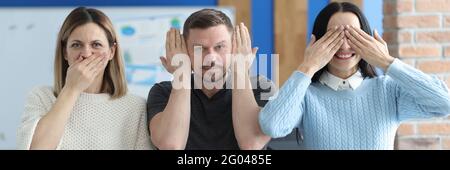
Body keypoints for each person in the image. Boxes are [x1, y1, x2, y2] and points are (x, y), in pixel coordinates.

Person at [258, 2, 450, 149]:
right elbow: (272, 126)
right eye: (334, 36)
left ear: (367, 39)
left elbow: (444, 103)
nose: (344, 46)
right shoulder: (306, 96)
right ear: (317, 42)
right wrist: (308, 66)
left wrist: (386, 61)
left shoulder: (388, 90)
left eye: (353, 36)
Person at [17, 7, 152, 150]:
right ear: (65, 52)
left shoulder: (135, 106)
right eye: (76, 45)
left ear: (111, 52)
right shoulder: (41, 97)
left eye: (96, 45)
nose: (86, 54)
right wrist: (71, 89)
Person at [147, 9, 275, 150]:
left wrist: (240, 69)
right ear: (184, 50)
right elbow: (171, 145)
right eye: (199, 48)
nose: (211, 58)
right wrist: (181, 74)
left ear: (234, 48)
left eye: (220, 47)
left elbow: (251, 144)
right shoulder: (163, 92)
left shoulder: (261, 87)